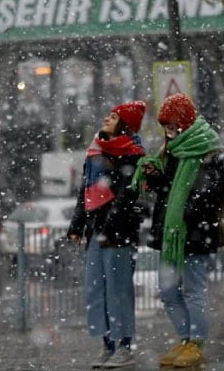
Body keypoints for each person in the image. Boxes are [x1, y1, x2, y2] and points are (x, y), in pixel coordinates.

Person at [131, 93, 224, 368]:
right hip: (171, 233)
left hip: (194, 233)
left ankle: (197, 342)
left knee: (194, 289)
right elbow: (167, 191)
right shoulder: (173, 149)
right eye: (166, 127)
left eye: (173, 126)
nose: (169, 132)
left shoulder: (206, 149)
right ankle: (185, 339)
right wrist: (155, 177)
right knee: (168, 289)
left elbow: (211, 194)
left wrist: (185, 211)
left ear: (184, 122)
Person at [67, 101, 147, 369]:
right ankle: (107, 344)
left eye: (113, 117)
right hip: (96, 231)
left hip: (119, 232)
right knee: (95, 289)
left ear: (125, 124)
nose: (106, 119)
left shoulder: (132, 154)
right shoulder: (95, 151)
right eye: (108, 114)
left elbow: (128, 194)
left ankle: (125, 345)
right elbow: (85, 191)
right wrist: (77, 225)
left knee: (119, 290)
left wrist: (112, 221)